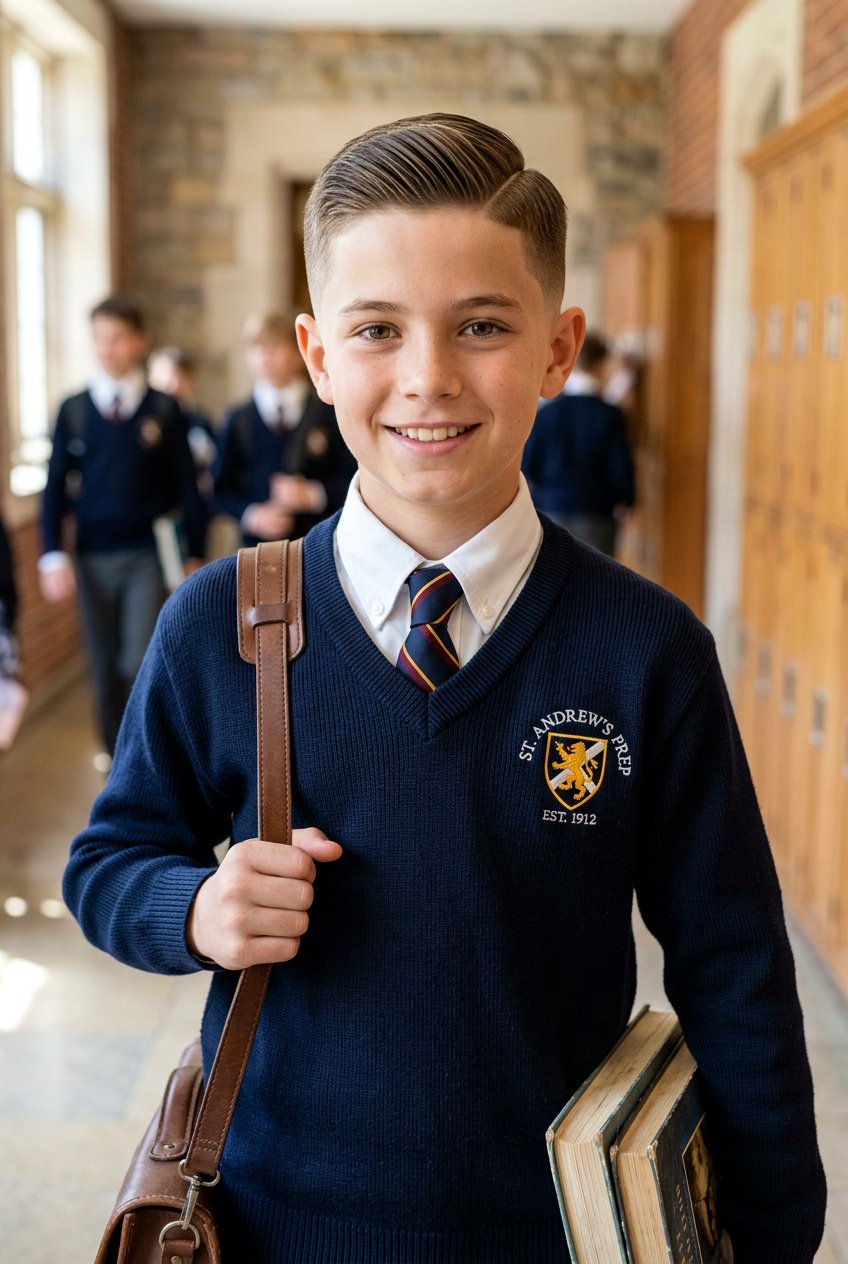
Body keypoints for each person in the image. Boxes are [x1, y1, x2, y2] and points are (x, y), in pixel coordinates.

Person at [63, 115, 826, 1262]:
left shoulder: (645, 649)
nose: (427, 377)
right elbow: (106, 864)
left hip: (556, 1229)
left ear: (558, 349)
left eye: (480, 326)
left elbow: (732, 965)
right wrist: (194, 910)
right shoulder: (217, 623)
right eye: (377, 330)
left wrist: (771, 1232)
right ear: (320, 357)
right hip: (274, 1220)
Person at [40, 294, 207, 760]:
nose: (105, 349)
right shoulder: (73, 409)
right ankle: (111, 753)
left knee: (137, 657)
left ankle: (140, 756)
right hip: (92, 555)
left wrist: (193, 552)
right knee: (102, 664)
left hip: (146, 555)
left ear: (138, 341)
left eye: (115, 338)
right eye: (97, 339)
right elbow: (54, 488)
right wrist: (52, 552)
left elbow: (187, 487)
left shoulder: (164, 409)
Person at [212, 310, 354, 546]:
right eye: (256, 348)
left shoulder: (329, 411)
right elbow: (220, 489)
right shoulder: (237, 419)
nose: (263, 357)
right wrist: (251, 514)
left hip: (320, 543)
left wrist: (313, 495)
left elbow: (355, 475)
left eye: (274, 346)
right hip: (256, 550)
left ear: (300, 353)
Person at [522, 329, 635, 555]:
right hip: (596, 511)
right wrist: (628, 500)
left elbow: (527, 464)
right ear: (601, 364)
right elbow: (619, 466)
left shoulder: (547, 412)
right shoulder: (609, 414)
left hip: (548, 509)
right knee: (598, 584)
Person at [148, 345, 218, 497]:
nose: (166, 386)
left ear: (190, 380)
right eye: (158, 379)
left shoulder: (200, 422)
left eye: (173, 377)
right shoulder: (146, 423)